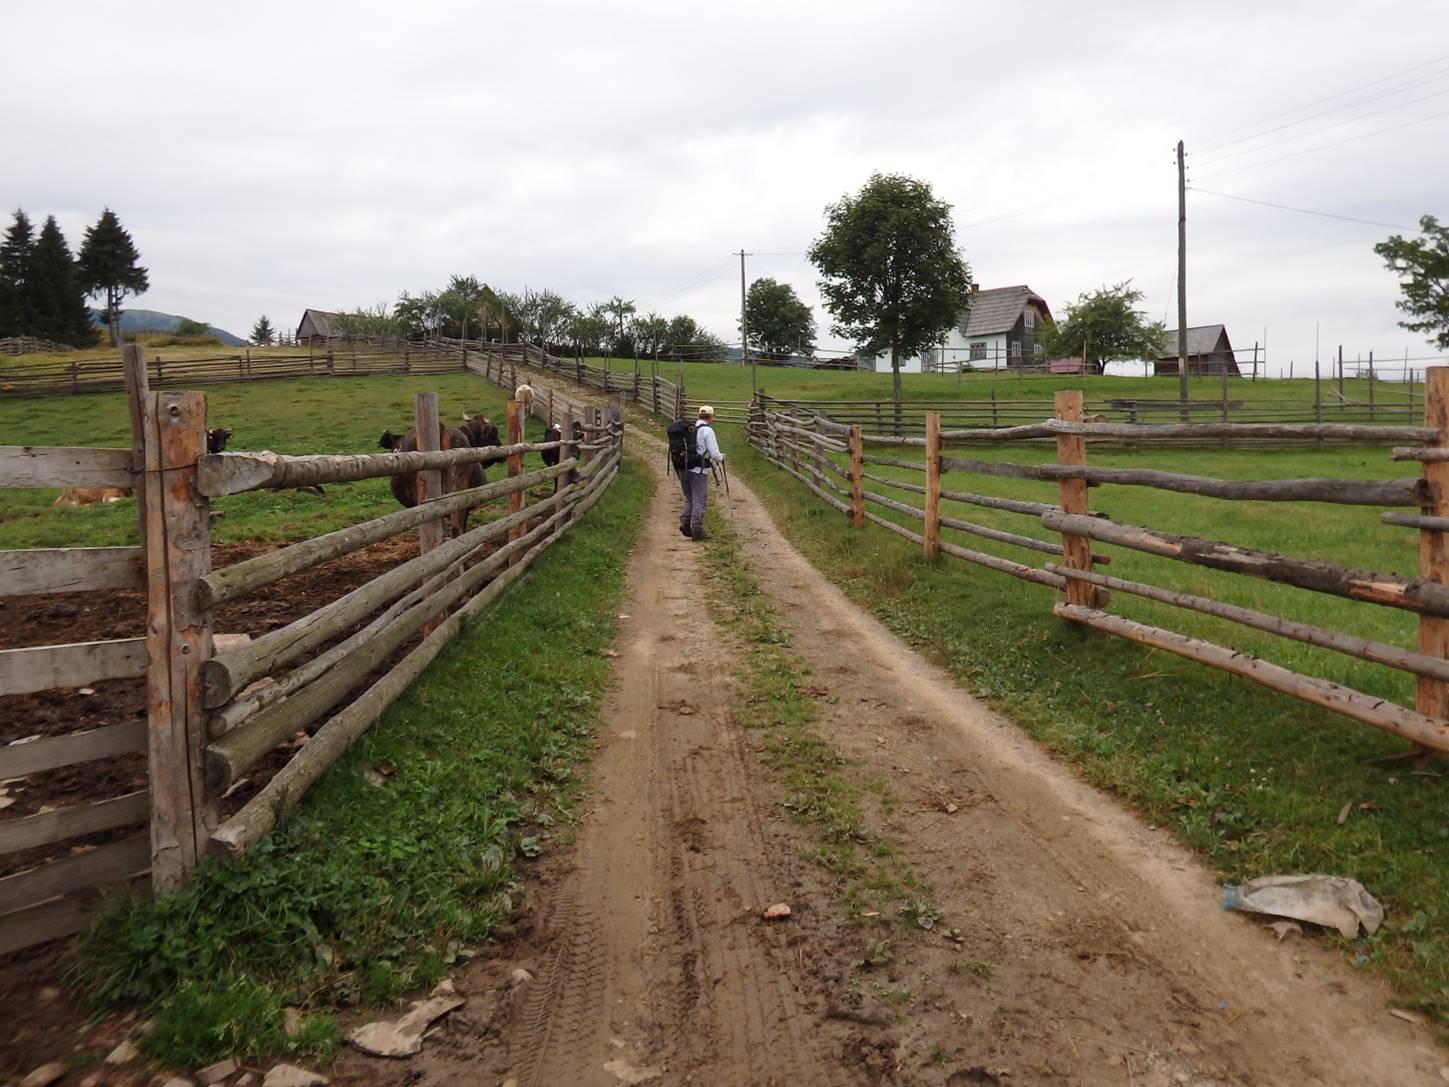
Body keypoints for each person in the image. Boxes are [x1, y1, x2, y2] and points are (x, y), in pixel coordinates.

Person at [683, 405, 723, 541]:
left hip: (684, 468)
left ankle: (685, 523)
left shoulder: (691, 428)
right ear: (711, 417)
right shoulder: (707, 431)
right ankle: (697, 530)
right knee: (699, 499)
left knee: (690, 497)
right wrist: (722, 457)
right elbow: (714, 454)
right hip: (698, 470)